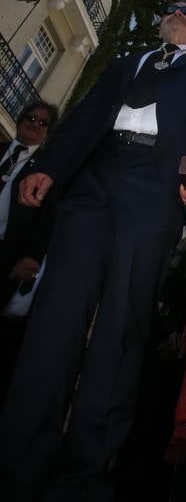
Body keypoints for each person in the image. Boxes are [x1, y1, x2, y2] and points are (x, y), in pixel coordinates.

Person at [0, 0, 186, 502]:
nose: (177, 13)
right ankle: (18, 469)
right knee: (54, 319)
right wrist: (49, 167)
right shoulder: (124, 64)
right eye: (169, 9)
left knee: (121, 329)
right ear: (159, 22)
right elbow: (84, 118)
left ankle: (85, 479)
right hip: (92, 187)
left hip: (154, 196)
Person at [0, 101, 58, 400]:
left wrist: (33, 255)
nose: (35, 124)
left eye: (43, 123)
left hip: (7, 256)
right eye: (31, 118)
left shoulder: (45, 170)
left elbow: (48, 218)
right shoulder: (2, 151)